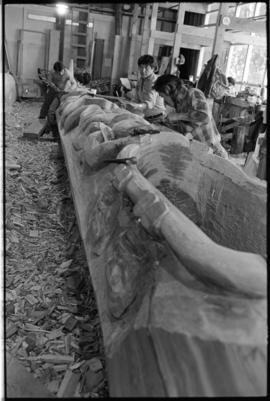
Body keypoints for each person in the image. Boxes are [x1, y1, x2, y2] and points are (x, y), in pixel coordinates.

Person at [153, 74, 228, 158]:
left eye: (163, 96)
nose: (164, 101)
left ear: (168, 90)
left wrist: (178, 116)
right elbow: (188, 127)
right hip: (199, 150)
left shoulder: (193, 93)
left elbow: (204, 117)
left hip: (213, 150)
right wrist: (167, 124)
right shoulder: (179, 104)